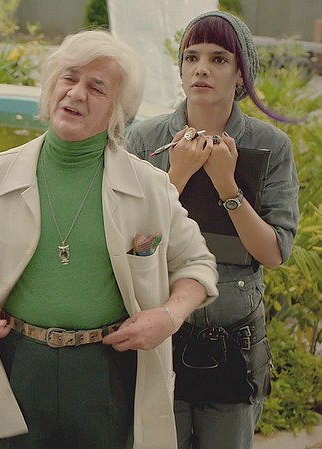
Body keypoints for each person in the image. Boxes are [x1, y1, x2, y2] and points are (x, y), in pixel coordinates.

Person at [0, 30, 220, 448]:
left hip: (109, 367)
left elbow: (197, 264)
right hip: (20, 362)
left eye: (97, 87)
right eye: (69, 78)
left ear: (119, 111)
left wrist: (168, 316)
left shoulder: (149, 187)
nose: (76, 93)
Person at [126, 11, 299, 449]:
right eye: (192, 57)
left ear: (241, 74)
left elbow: (273, 253)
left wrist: (227, 185)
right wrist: (176, 177)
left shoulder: (270, 146)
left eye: (219, 59)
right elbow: (130, 244)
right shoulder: (144, 141)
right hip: (159, 338)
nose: (201, 68)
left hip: (233, 345)